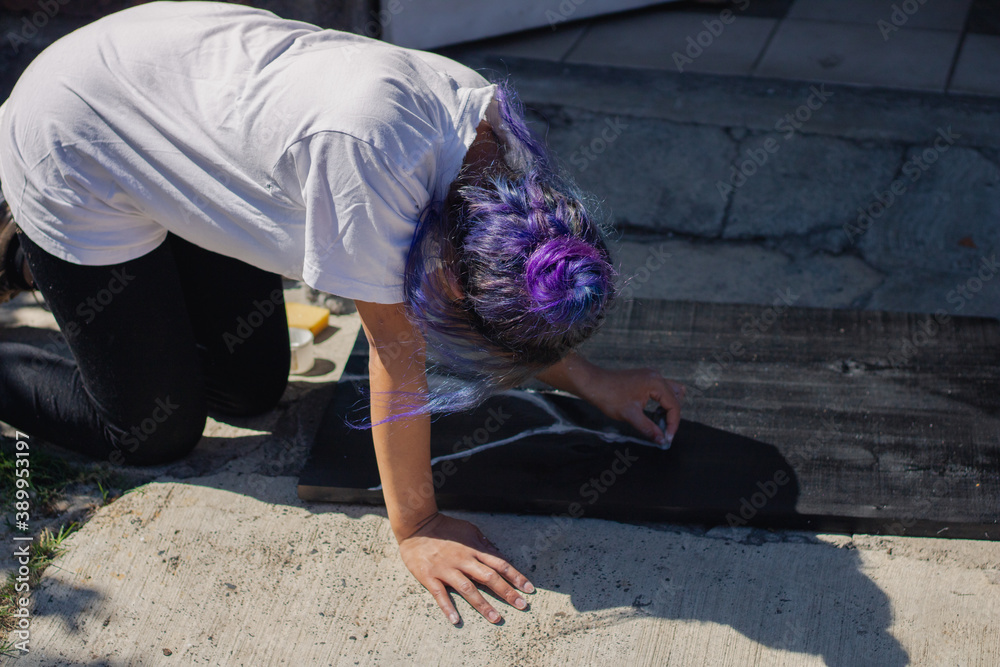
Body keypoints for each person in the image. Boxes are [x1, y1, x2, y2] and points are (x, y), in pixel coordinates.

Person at [0, 1, 684, 625]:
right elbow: (395, 350)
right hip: (78, 135)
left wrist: (593, 378)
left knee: (247, 389)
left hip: (175, 123)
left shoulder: (504, 178)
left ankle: (65, 266)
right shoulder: (373, 162)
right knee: (153, 429)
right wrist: (416, 527)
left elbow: (513, 291)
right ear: (451, 270)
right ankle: (33, 251)